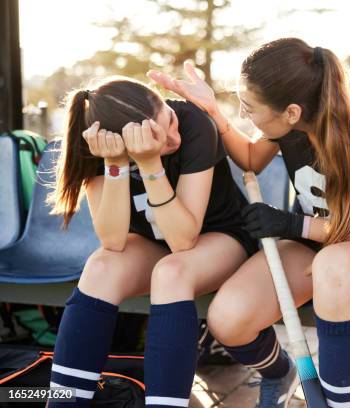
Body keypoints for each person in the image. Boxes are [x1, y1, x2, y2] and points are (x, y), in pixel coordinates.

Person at [149, 37, 350, 407]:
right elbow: (249, 158)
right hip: (314, 245)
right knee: (228, 319)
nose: (244, 115)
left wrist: (295, 226)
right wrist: (213, 111)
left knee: (335, 266)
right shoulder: (288, 126)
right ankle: (281, 372)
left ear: (292, 111)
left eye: (249, 107)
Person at [48, 77, 257, 407]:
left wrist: (149, 163)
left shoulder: (194, 124)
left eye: (169, 121)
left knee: (172, 272)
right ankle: (64, 402)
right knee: (101, 265)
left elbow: (183, 240)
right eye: (158, 136)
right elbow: (114, 240)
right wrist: (116, 165)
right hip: (154, 242)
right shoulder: (99, 143)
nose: (174, 138)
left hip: (220, 236)